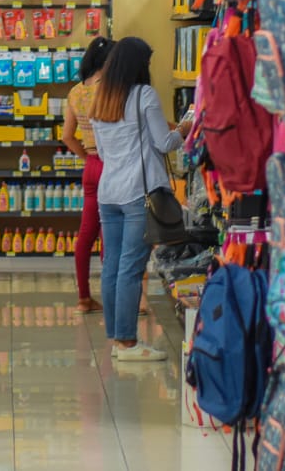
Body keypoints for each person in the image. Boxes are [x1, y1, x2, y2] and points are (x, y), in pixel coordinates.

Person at [89, 37, 191, 362]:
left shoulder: (100, 98)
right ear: (138, 65)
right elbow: (164, 143)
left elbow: (101, 151)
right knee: (131, 268)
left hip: (108, 192)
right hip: (137, 193)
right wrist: (186, 129)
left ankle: (117, 339)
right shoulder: (144, 95)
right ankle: (128, 343)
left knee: (112, 266)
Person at [60, 37, 115, 313]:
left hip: (91, 166)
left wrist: (86, 157)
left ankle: (84, 298)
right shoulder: (112, 89)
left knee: (86, 233)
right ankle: (111, 296)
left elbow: (67, 136)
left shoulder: (76, 91)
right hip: (112, 164)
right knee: (109, 233)